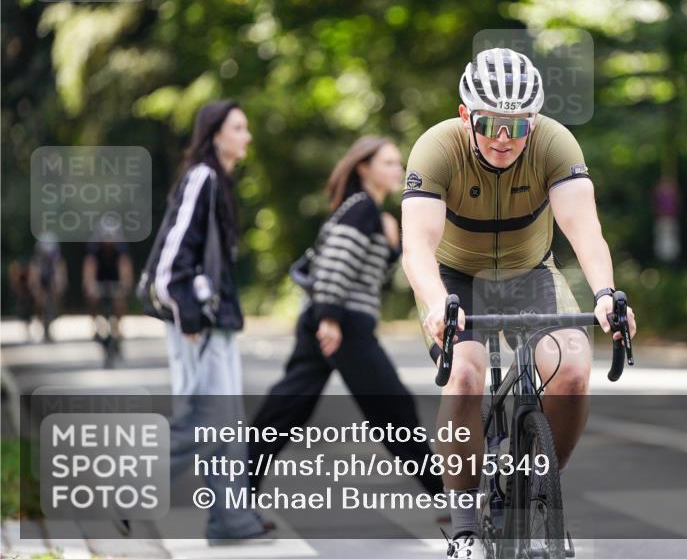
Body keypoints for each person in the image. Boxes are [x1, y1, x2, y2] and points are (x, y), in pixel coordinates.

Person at [401, 47, 637, 558]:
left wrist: (604, 294)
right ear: (466, 115)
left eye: (518, 125)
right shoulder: (436, 148)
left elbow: (583, 227)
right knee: (466, 375)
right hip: (456, 278)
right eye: (489, 123)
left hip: (531, 272)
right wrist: (437, 302)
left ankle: (541, 487)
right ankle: (465, 528)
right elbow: (416, 245)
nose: (503, 138)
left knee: (572, 370)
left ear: (535, 120)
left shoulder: (555, 142)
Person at [249, 136, 445, 501]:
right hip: (343, 324)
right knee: (393, 407)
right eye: (388, 163)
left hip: (331, 317)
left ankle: (237, 490)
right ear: (363, 168)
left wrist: (390, 246)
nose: (398, 170)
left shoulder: (369, 212)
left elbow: (363, 271)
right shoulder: (361, 209)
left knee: (288, 407)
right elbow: (334, 265)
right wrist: (329, 318)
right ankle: (446, 493)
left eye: (398, 163)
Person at [148, 100, 270, 544]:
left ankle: (230, 521)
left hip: (214, 322)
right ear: (215, 134)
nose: (247, 136)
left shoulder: (218, 181)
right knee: (206, 419)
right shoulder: (202, 177)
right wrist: (188, 315)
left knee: (225, 422)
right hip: (196, 323)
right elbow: (168, 262)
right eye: (239, 128)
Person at [83, 224, 134, 367]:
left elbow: (125, 267)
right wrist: (90, 286)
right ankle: (95, 325)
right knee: (92, 299)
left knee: (119, 301)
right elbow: (89, 268)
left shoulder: (121, 247)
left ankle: (118, 327)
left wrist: (125, 286)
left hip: (115, 280)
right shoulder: (94, 247)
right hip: (99, 280)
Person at [28, 232, 67, 342]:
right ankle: (39, 318)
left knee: (55, 297)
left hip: (52, 284)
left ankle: (52, 318)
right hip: (41, 284)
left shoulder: (58, 260)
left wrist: (58, 289)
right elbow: (33, 279)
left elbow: (61, 277)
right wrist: (37, 292)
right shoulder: (36, 261)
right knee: (40, 300)